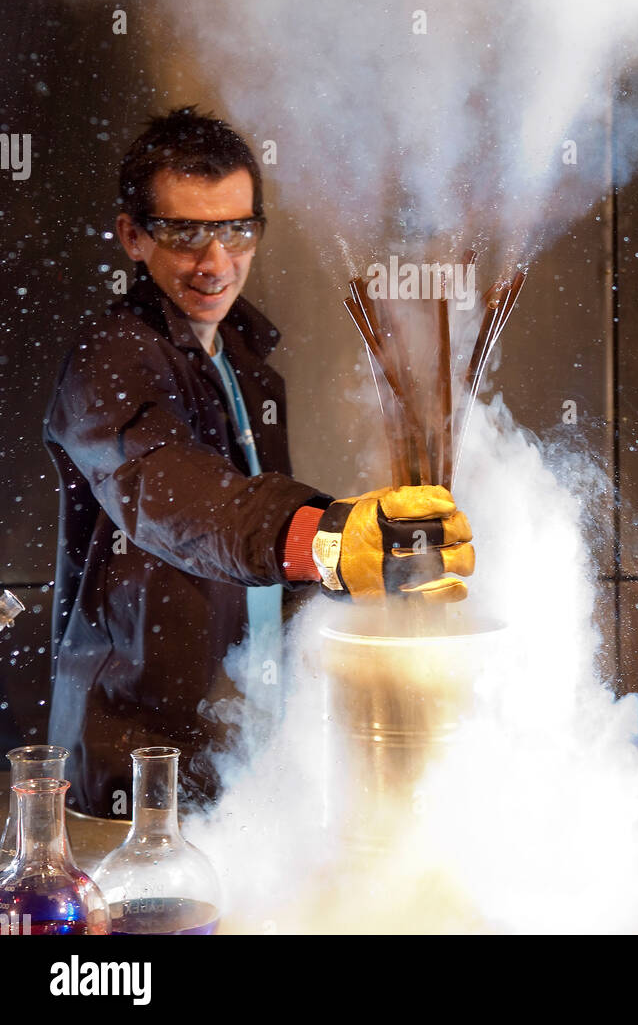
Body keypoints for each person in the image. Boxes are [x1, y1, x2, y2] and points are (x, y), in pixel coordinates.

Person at [44, 106, 474, 818]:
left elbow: (261, 544)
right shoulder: (110, 359)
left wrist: (379, 552)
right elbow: (176, 495)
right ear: (132, 237)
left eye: (236, 230)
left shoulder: (247, 368)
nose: (216, 263)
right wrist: (331, 537)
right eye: (184, 233)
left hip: (243, 747)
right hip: (137, 761)